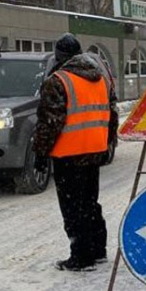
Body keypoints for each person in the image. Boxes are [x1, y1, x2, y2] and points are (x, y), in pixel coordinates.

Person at [33, 34, 118, 271]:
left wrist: (40, 154)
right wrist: (107, 143)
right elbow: (112, 115)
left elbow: (49, 123)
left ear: (59, 56)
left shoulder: (58, 81)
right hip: (94, 152)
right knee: (90, 203)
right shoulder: (99, 79)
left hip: (68, 155)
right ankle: (98, 250)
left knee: (72, 208)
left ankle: (81, 256)